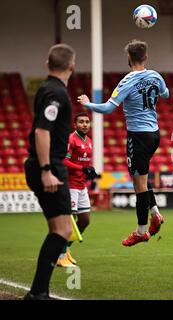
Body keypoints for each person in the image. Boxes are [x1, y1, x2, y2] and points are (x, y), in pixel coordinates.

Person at [77, 39, 169, 246]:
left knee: (139, 186)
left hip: (138, 137)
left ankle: (141, 231)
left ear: (129, 57)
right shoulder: (155, 76)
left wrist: (87, 103)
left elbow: (108, 108)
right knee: (142, 181)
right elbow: (166, 94)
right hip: (154, 134)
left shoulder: (127, 81)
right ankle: (156, 214)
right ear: (146, 57)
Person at [23, 44, 76, 300]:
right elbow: (42, 131)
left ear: (48, 64)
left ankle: (38, 292)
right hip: (49, 165)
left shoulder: (47, 88)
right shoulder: (56, 92)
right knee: (62, 230)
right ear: (71, 66)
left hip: (44, 164)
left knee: (58, 229)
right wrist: (46, 169)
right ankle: (37, 293)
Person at [57, 112, 98, 267]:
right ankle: (60, 257)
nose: (85, 124)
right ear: (75, 124)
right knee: (70, 221)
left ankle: (65, 249)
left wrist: (89, 170)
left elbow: (84, 163)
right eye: (81, 122)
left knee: (85, 221)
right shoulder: (71, 139)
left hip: (82, 186)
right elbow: (64, 161)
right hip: (70, 185)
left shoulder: (89, 141)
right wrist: (82, 168)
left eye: (87, 122)